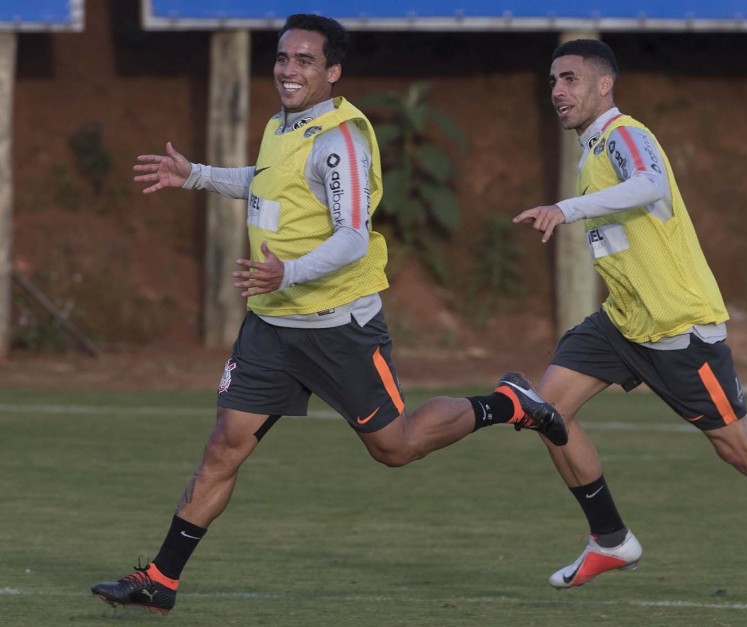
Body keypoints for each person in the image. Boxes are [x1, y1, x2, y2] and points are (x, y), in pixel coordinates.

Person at [90, 14, 566, 615]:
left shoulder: (342, 141)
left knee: (395, 448)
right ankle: (160, 582)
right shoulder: (281, 124)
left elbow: (353, 238)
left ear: (332, 72)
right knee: (223, 449)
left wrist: (286, 271)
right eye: (283, 58)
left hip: (339, 326)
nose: (289, 69)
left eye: (305, 61)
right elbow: (268, 184)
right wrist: (198, 175)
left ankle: (510, 403)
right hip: (273, 326)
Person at [513, 38, 747, 611]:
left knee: (738, 448)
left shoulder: (626, 134)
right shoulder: (593, 149)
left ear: (604, 84)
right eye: (553, 80)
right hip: (623, 321)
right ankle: (611, 538)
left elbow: (650, 183)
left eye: (571, 79)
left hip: (678, 327)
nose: (558, 91)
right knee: (546, 411)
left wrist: (567, 208)